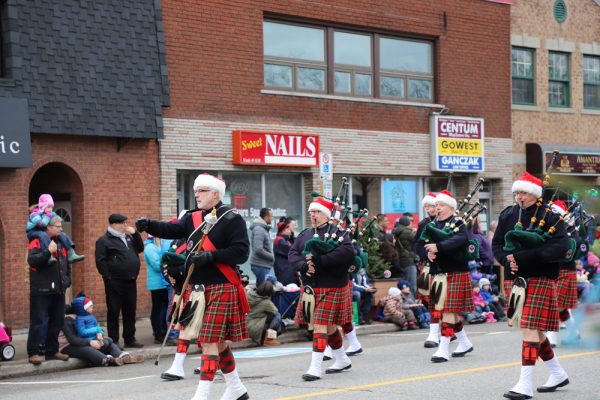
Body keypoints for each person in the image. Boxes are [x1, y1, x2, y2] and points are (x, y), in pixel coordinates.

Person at [136, 173, 250, 400]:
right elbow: (172, 230)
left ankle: (202, 395)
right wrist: (150, 225)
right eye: (196, 190)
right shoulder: (192, 217)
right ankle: (236, 388)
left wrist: (210, 257)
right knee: (216, 343)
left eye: (202, 191)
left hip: (221, 286)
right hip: (198, 288)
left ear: (216, 194)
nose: (197, 194)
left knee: (208, 341)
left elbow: (241, 252)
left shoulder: (231, 218)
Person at [492, 171, 570, 399]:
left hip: (540, 276)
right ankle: (557, 373)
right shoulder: (509, 215)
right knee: (533, 329)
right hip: (515, 279)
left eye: (523, 192)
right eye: (516, 192)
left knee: (528, 327)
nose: (519, 197)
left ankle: (524, 385)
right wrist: (507, 259)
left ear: (535, 194)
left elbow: (560, 247)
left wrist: (524, 258)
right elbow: (497, 243)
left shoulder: (551, 216)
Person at [289, 196, 355, 381]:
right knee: (330, 326)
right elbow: (292, 254)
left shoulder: (339, 234)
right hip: (311, 287)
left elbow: (347, 254)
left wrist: (319, 261)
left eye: (317, 212)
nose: (313, 215)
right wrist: (303, 265)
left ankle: (315, 368)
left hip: (332, 286)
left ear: (326, 214)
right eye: (311, 212)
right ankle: (342, 359)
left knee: (319, 325)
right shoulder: (304, 234)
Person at [422, 190, 475, 363]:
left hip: (456, 271)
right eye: (436, 205)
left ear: (451, 207)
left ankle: (443, 348)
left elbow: (460, 240)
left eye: (441, 205)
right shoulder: (433, 224)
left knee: (449, 310)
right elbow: (422, 243)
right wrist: (427, 254)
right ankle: (465, 343)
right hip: (438, 273)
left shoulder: (459, 223)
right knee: (445, 311)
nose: (438, 208)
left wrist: (439, 247)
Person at [95, 213, 145, 348]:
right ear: (114, 225)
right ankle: (114, 340)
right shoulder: (104, 240)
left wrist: (135, 234)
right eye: (123, 223)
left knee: (130, 310)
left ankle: (130, 338)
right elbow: (100, 261)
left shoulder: (128, 238)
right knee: (114, 310)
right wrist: (108, 277)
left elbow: (140, 248)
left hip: (130, 279)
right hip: (114, 281)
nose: (126, 226)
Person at [26, 215, 71, 365]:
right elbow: (32, 261)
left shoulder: (61, 241)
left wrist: (67, 280)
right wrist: (47, 252)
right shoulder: (37, 241)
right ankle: (33, 353)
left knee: (57, 320)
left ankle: (52, 351)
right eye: (58, 226)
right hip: (42, 289)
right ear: (49, 227)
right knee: (39, 321)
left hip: (58, 289)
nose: (61, 228)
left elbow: (65, 263)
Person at [59, 303, 144, 367]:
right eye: (89, 306)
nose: (91, 308)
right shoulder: (68, 320)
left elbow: (94, 329)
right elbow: (73, 339)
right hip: (68, 346)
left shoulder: (86, 317)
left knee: (109, 343)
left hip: (84, 341)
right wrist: (90, 342)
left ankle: (123, 356)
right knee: (88, 350)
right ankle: (108, 360)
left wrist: (100, 336)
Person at [546, 200, 579, 347]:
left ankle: (551, 338)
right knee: (560, 306)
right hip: (553, 269)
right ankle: (574, 332)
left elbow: (575, 245)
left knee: (556, 304)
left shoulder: (570, 228)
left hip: (565, 269)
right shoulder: (550, 227)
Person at [26, 193, 84, 264]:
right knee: (43, 235)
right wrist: (48, 216)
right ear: (43, 207)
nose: (50, 209)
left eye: (51, 207)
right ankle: (49, 255)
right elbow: (42, 224)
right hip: (33, 231)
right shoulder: (34, 214)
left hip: (41, 229)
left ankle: (71, 253)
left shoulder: (48, 214)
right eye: (48, 207)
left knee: (62, 234)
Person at [144, 235, 172, 344]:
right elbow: (156, 265)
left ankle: (163, 330)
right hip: (157, 284)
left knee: (164, 308)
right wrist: (169, 261)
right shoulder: (150, 248)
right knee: (158, 309)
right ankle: (158, 332)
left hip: (163, 283)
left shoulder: (156, 247)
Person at [247, 280, 284, 346]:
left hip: (248, 326)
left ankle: (266, 339)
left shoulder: (249, 295)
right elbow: (276, 312)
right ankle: (269, 339)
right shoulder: (266, 302)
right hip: (258, 329)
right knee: (277, 316)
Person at [250, 207, 274, 286]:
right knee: (262, 291)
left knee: (261, 290)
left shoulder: (262, 228)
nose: (272, 218)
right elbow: (258, 249)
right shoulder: (259, 229)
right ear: (266, 217)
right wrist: (271, 256)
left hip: (262, 265)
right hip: (260, 265)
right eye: (271, 216)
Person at [393, 215, 417, 292]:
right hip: (409, 260)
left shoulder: (397, 231)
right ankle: (411, 301)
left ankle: (405, 301)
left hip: (401, 259)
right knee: (412, 283)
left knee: (405, 283)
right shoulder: (407, 232)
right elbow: (418, 240)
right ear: (407, 222)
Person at [273, 217, 298, 286]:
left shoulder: (285, 239)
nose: (290, 230)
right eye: (288, 228)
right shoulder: (279, 240)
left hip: (288, 271)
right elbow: (292, 251)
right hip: (284, 272)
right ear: (283, 230)